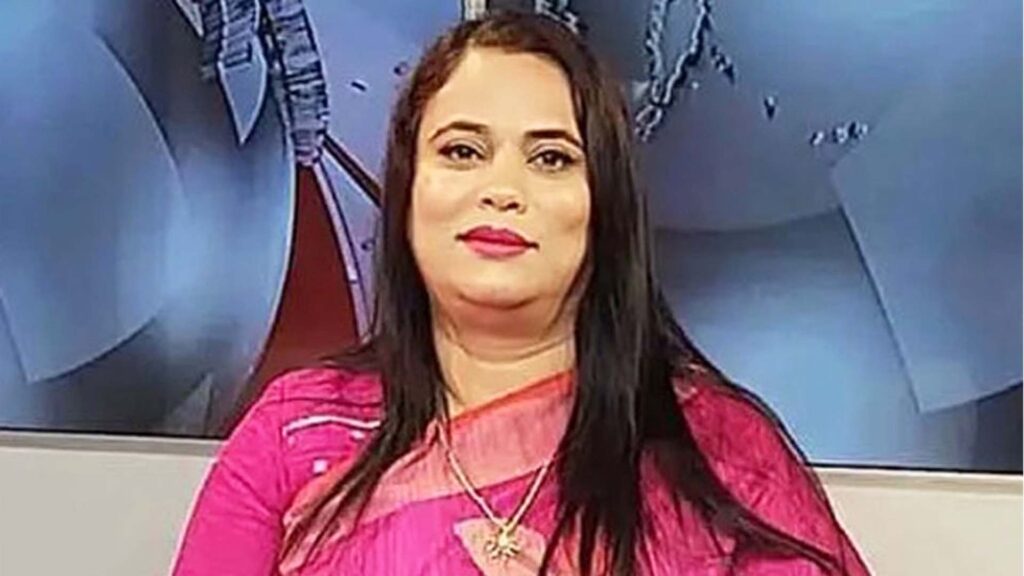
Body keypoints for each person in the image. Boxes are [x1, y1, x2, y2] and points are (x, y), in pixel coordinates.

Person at [172, 12, 870, 576]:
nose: (502, 189)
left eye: (551, 158)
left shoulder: (720, 451)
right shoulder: (297, 433)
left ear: (604, 207)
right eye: (462, 151)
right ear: (408, 191)